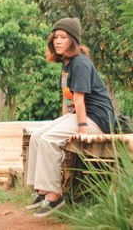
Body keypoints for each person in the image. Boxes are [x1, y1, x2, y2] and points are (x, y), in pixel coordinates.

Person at [25, 17, 116, 217]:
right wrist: (62, 123)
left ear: (73, 40)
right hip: (81, 116)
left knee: (49, 140)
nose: (58, 41)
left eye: (63, 37)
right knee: (37, 135)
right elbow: (68, 100)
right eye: (56, 37)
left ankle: (55, 198)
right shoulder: (67, 64)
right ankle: (41, 191)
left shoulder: (80, 63)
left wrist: (82, 131)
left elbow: (80, 99)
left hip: (98, 120)